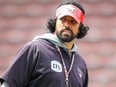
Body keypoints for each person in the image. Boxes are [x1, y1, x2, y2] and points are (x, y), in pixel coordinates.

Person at [0, 1, 89, 87]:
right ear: (55, 22)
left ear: (80, 27)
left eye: (73, 21)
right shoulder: (35, 49)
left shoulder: (81, 64)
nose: (67, 24)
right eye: (63, 19)